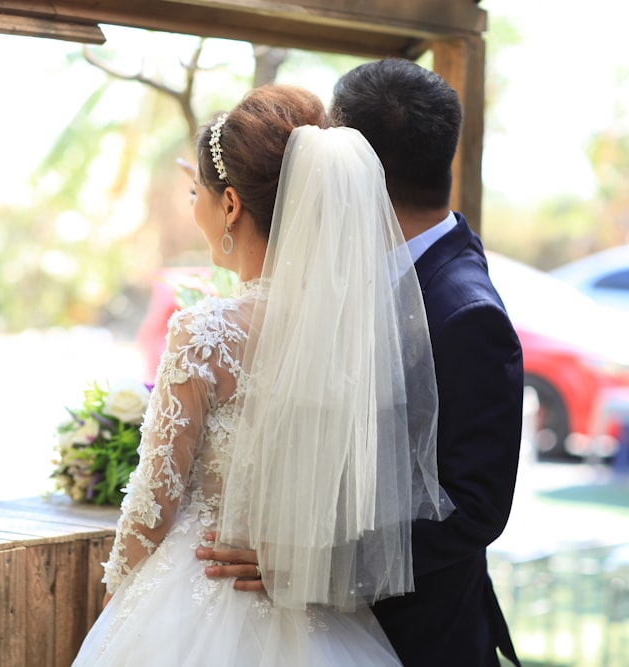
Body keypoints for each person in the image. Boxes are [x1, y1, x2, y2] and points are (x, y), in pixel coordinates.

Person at [73, 83, 452, 666]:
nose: (193, 205)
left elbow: (154, 505)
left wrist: (115, 602)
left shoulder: (204, 332)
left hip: (197, 598)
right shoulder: (352, 335)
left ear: (229, 205)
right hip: (318, 611)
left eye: (197, 191)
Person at [199, 59, 525, 667]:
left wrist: (311, 561)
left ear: (362, 166)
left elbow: (475, 508)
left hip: (416, 638)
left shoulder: (464, 312)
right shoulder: (353, 270)